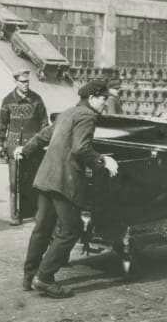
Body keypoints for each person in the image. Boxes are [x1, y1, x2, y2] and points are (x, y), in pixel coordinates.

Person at [13, 79, 119, 298]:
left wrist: (25, 150)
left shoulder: (68, 112)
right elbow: (81, 149)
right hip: (64, 180)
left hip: (46, 177)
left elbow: (44, 135)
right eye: (103, 99)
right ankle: (44, 278)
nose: (105, 104)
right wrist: (103, 161)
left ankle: (28, 276)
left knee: (42, 228)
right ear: (92, 98)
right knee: (71, 230)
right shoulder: (88, 116)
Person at [0, 68, 49, 160]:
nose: (26, 84)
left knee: (32, 174)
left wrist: (44, 143)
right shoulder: (8, 100)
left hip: (32, 148)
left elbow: (44, 123)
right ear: (16, 82)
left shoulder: (37, 99)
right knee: (14, 174)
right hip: (13, 148)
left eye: (27, 81)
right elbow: (1, 124)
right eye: (22, 82)